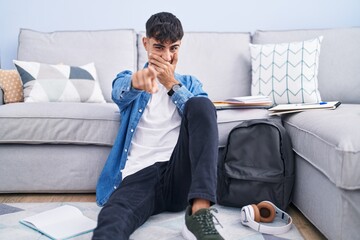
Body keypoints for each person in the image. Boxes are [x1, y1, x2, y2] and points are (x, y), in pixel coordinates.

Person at [92, 12, 224, 240]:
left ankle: (199, 213)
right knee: (113, 217)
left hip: (179, 174)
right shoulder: (131, 78)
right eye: (159, 47)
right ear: (146, 43)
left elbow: (204, 120)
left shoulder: (190, 84)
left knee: (201, 104)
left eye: (173, 48)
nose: (167, 56)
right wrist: (137, 81)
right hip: (139, 176)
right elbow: (118, 91)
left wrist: (171, 84)